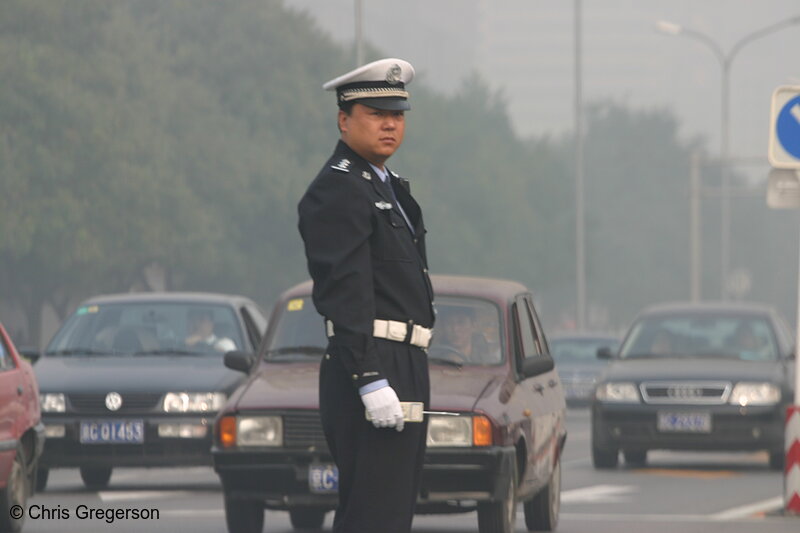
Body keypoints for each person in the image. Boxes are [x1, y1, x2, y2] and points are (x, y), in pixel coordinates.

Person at [297, 58, 435, 533]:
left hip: (405, 360)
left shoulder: (388, 186)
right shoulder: (339, 189)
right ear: (344, 119)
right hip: (372, 361)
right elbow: (345, 291)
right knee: (373, 514)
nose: (390, 124)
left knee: (393, 510)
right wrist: (369, 377)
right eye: (376, 113)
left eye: (397, 114)